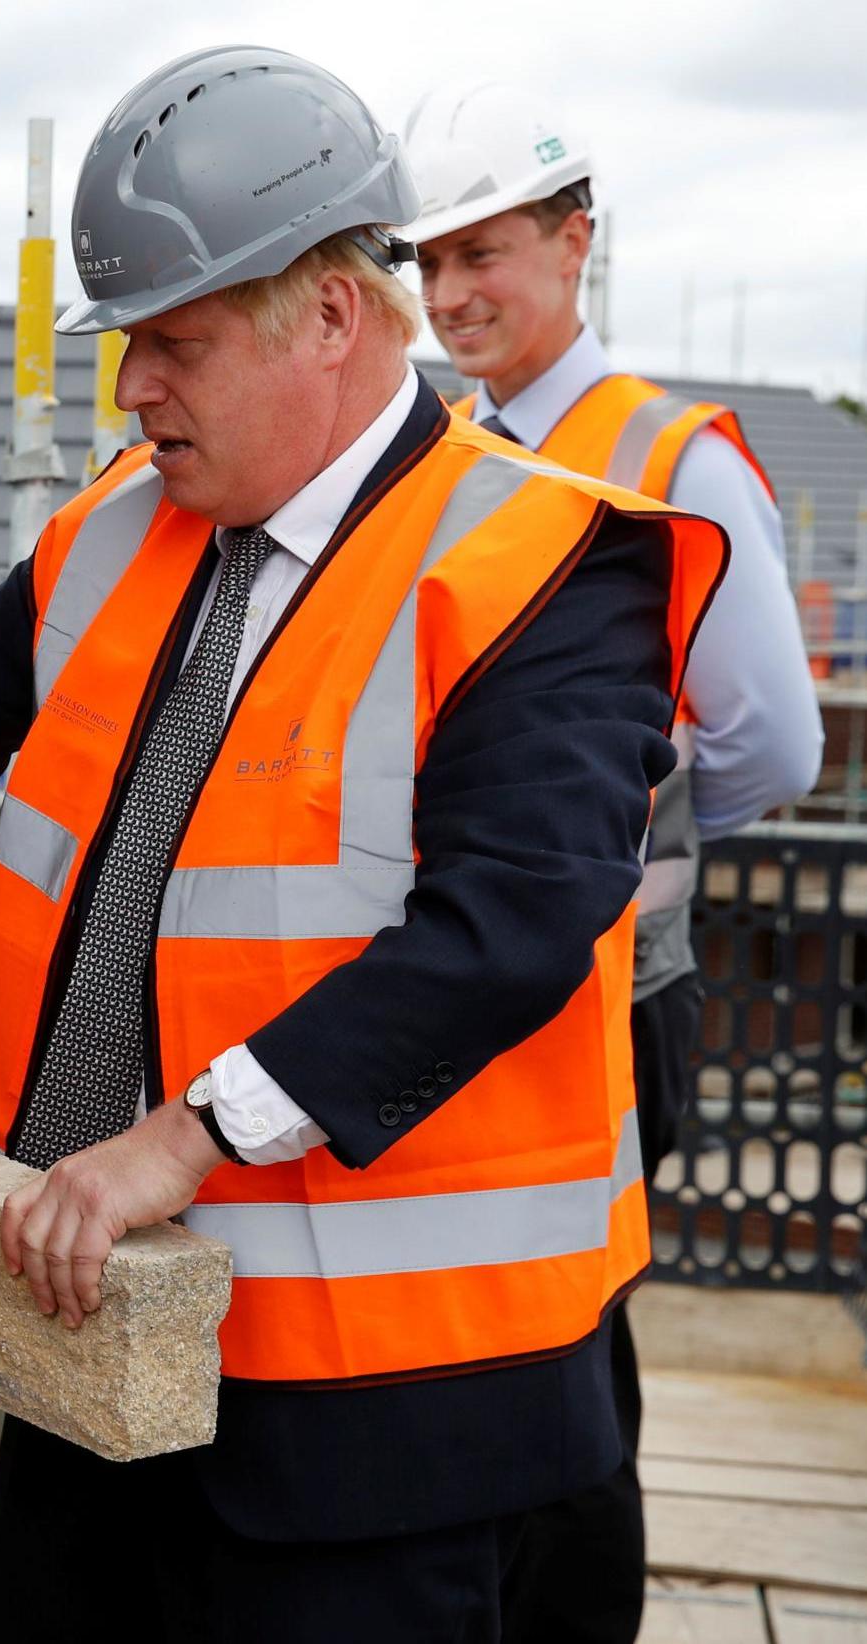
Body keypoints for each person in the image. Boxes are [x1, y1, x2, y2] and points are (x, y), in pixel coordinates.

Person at [0, 46, 727, 1643]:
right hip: (79, 1356)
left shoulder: (542, 564)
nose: (129, 392)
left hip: (378, 1444)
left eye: (171, 345)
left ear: (327, 317)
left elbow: (508, 929)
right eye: (123, 346)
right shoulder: (123, 526)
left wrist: (177, 1140)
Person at [402, 81, 823, 1641]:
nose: (448, 297)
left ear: (574, 242)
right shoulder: (443, 449)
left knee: (571, 1330)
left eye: (483, 253)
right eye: (424, 265)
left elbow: (772, 749)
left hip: (606, 985)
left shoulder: (667, 456)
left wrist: (588, 833)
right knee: (484, 1321)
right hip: (468, 972)